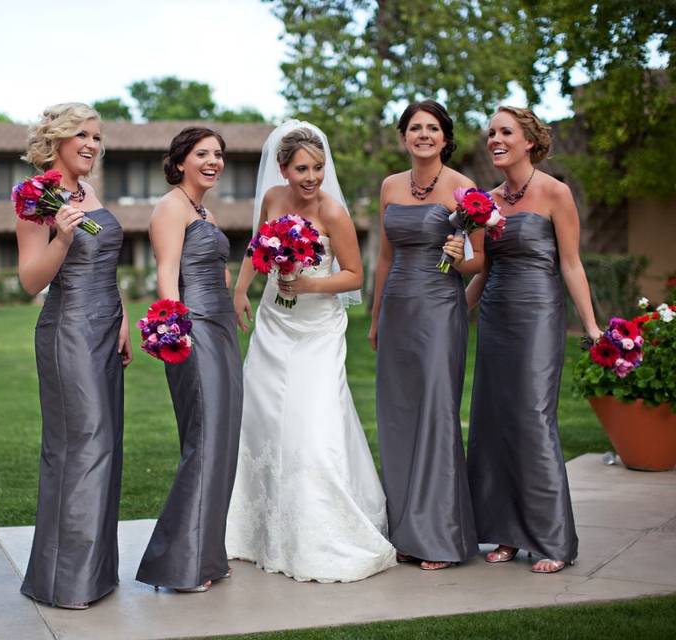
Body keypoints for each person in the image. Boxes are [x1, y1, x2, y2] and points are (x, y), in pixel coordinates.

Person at [226, 122, 396, 582]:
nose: (312, 177)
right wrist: (242, 290)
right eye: (302, 168)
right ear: (282, 169)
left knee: (312, 423)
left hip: (317, 330)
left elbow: (355, 274)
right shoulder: (272, 200)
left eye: (318, 168)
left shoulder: (334, 213)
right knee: (261, 419)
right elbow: (256, 247)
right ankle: (255, 528)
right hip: (274, 322)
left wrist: (309, 284)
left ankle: (320, 527)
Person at [465, 106, 602, 574]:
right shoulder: (485, 201)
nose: (495, 140)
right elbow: (483, 268)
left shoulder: (555, 193)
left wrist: (591, 326)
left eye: (505, 132)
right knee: (493, 417)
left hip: (539, 314)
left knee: (532, 417)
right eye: (491, 134)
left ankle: (552, 539)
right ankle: (504, 531)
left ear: (529, 140)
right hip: (496, 314)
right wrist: (453, 312)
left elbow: (571, 264)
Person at [17, 103, 132, 610]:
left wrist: (124, 318)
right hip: (69, 332)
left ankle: (95, 573)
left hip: (107, 327)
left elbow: (103, 259)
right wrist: (62, 235)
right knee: (80, 445)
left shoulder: (87, 192)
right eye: (82, 135)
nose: (91, 144)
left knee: (106, 443)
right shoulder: (36, 197)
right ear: (58, 139)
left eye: (96, 137)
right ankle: (64, 581)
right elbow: (29, 280)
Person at [370, 100, 482, 570]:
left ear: (445, 137)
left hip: (439, 307)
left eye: (432, 128)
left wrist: (459, 256)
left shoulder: (464, 189)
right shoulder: (390, 186)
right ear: (403, 137)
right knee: (398, 417)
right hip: (397, 307)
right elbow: (384, 258)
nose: (423, 135)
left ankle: (438, 536)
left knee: (437, 414)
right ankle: (405, 530)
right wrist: (376, 317)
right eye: (414, 128)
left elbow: (481, 263)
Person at [136, 127, 243, 593]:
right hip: (193, 329)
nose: (213, 161)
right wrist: (174, 329)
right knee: (204, 438)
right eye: (203, 153)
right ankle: (178, 564)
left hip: (220, 328)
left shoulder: (205, 211)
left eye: (218, 154)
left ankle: (205, 554)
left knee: (221, 439)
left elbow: (214, 266)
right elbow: (167, 273)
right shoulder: (170, 207)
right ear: (180, 161)